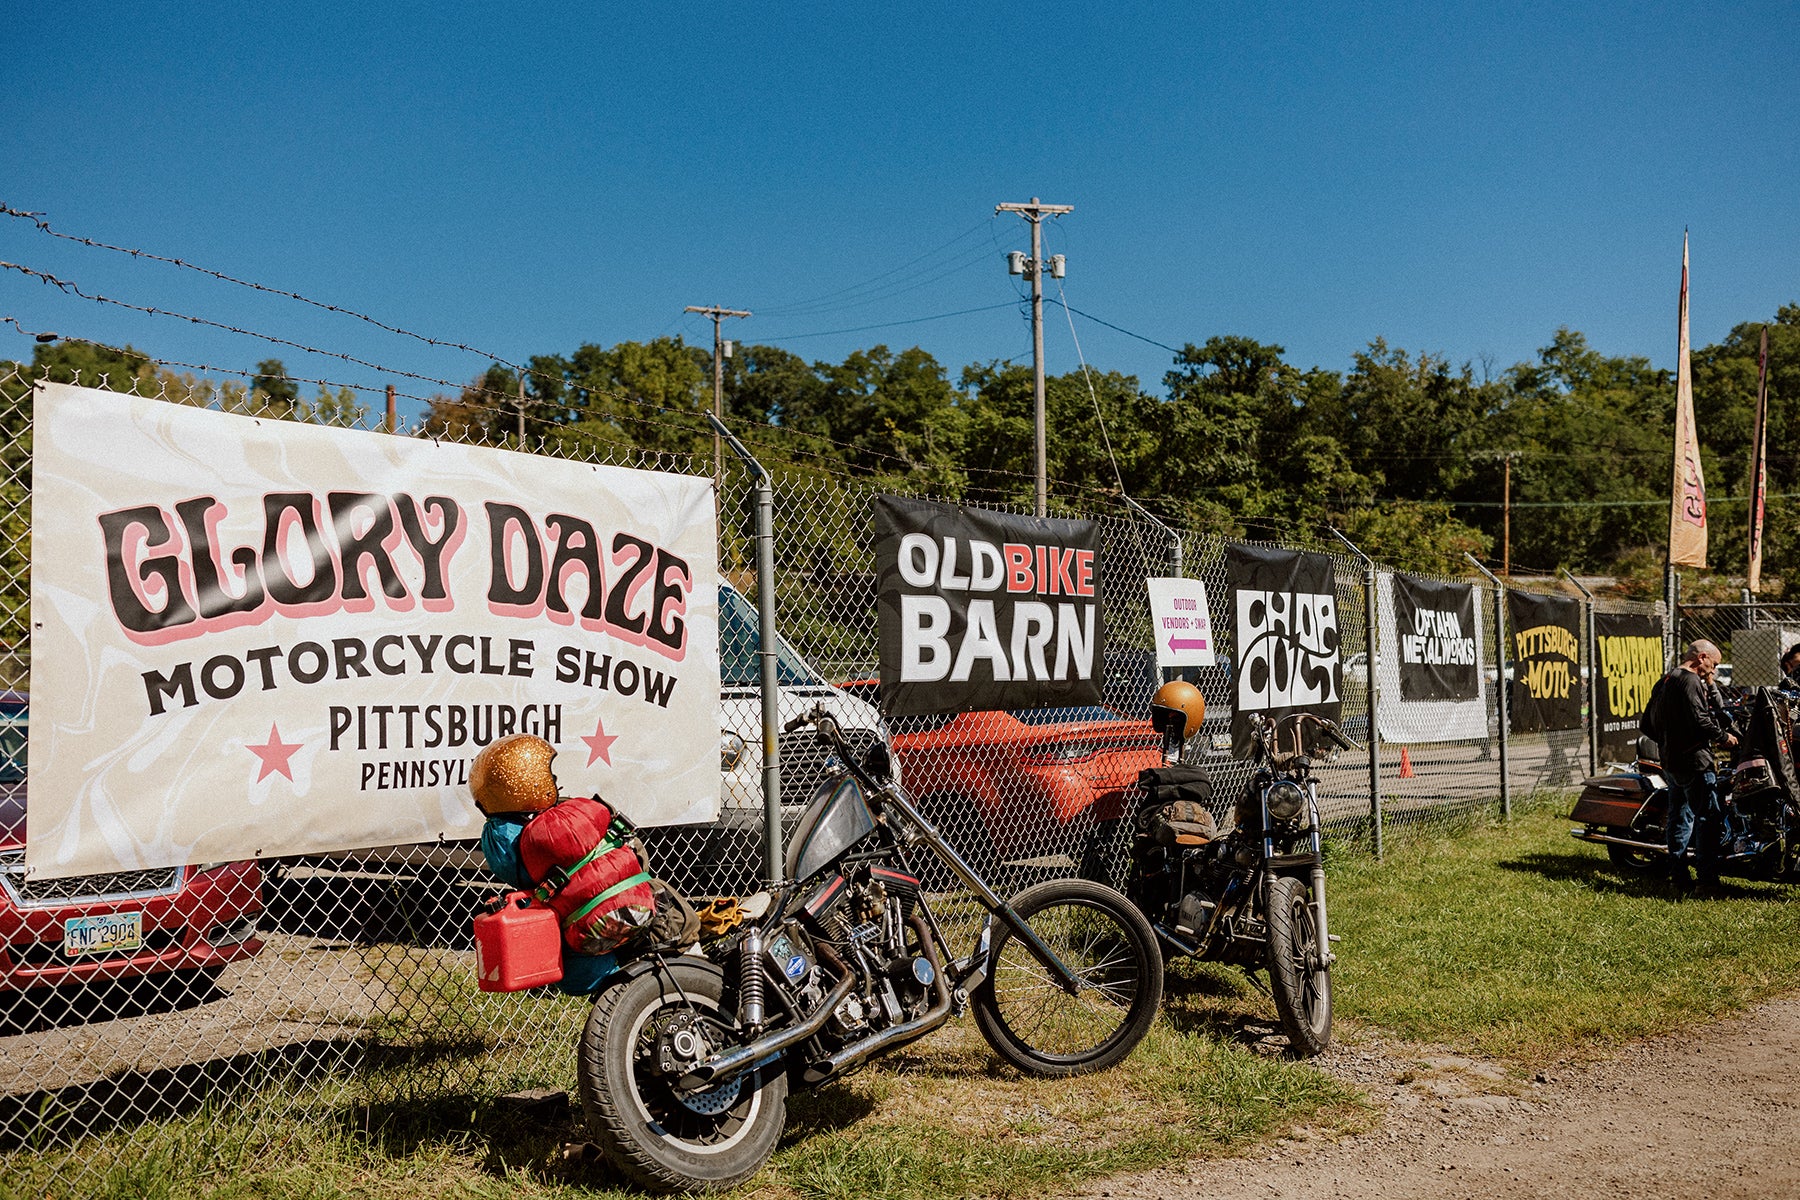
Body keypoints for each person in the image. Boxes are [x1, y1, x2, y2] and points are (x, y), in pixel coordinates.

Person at [469, 733, 622, 996]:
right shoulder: (528, 833)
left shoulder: (497, 833)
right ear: (526, 781)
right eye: (548, 774)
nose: (555, 780)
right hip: (598, 930)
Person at [1644, 640, 1737, 891]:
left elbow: (1646, 723)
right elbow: (1700, 720)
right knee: (1709, 817)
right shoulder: (1691, 681)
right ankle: (1707, 881)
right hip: (1695, 763)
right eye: (1714, 664)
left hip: (1671, 762)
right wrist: (1724, 738)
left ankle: (1679, 876)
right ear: (1702, 657)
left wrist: (1668, 743)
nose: (1713, 670)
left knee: (1679, 817)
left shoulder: (1665, 680)